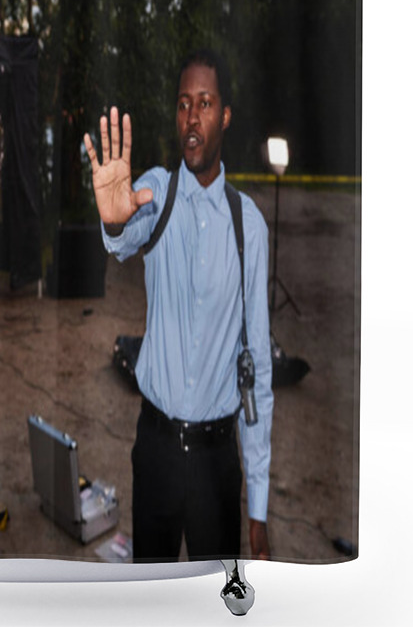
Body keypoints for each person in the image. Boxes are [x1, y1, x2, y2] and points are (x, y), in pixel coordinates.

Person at [83, 49, 273, 561]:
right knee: (152, 601)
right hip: (157, 452)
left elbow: (258, 368)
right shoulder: (156, 192)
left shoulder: (248, 226)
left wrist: (257, 504)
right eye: (184, 104)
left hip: (217, 462)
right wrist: (115, 220)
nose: (192, 118)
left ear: (225, 116)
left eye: (205, 103)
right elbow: (123, 237)